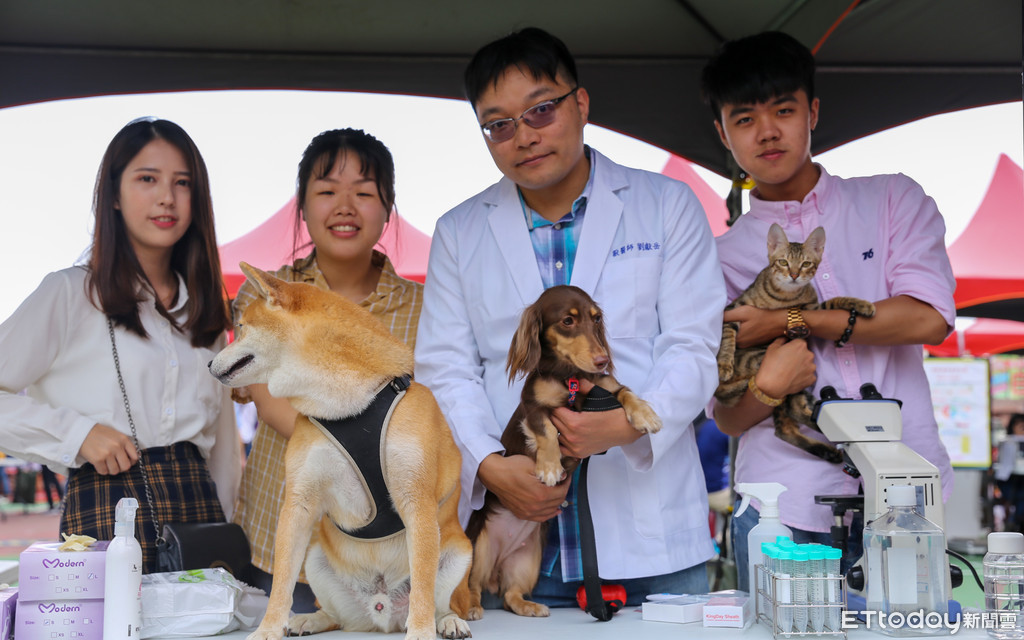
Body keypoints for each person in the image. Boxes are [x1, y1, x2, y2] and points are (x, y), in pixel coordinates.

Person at [415, 27, 726, 607]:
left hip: (649, 541)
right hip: (506, 537)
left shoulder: (665, 206)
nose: (523, 137)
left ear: (580, 104)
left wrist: (629, 424)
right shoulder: (459, 232)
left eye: (540, 110)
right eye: (499, 124)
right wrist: (489, 466)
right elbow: (443, 369)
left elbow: (692, 346)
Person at [701, 31, 956, 591]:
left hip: (907, 490)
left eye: (784, 110)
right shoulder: (716, 260)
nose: (766, 131)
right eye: (744, 119)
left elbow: (927, 318)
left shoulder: (890, 200)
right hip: (780, 504)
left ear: (812, 111)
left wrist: (790, 323)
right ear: (722, 132)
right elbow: (725, 417)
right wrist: (767, 387)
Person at [0, 117, 242, 572]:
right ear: (113, 195)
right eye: (147, 179)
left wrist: (230, 534)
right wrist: (77, 434)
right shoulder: (71, 294)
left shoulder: (206, 311)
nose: (166, 197)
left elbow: (224, 449)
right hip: (104, 512)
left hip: (202, 519)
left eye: (182, 182)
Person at [231, 128, 423, 612]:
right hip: (284, 551)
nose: (345, 206)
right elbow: (273, 402)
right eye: (326, 191)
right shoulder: (263, 298)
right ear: (302, 205)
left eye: (363, 192)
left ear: (388, 208)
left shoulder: (424, 307)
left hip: (391, 554)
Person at [994, 414, 1024, 532]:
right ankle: (1014, 522)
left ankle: (1016, 522)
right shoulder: (1007, 442)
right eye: (1019, 425)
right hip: (1009, 480)